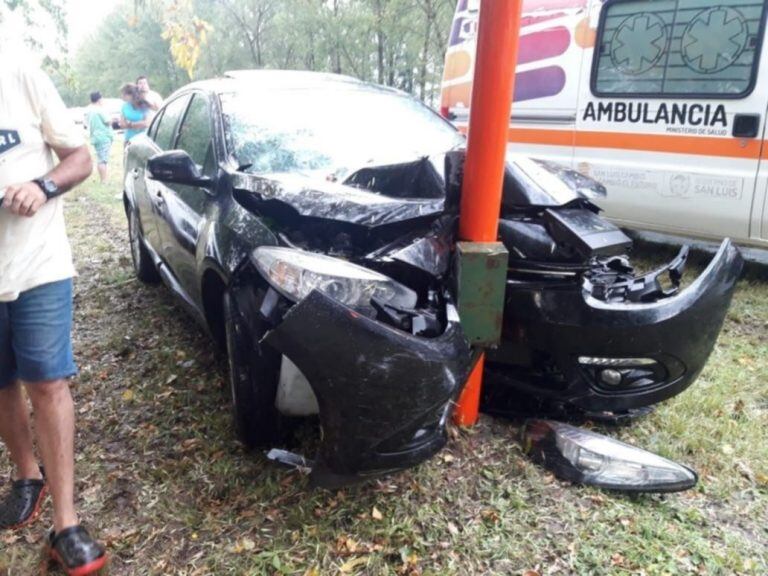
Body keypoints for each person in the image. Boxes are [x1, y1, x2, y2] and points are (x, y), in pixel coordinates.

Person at [0, 61, 108, 574]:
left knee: (47, 382)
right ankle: (27, 475)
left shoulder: (21, 76)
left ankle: (65, 525)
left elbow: (81, 158)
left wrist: (42, 186)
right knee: (1, 382)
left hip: (38, 266)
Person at [86, 91, 114, 183]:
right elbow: (108, 121)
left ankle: (103, 179)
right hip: (103, 136)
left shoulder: (89, 110)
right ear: (99, 99)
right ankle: (104, 180)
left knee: (100, 157)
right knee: (103, 159)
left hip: (95, 136)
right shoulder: (100, 109)